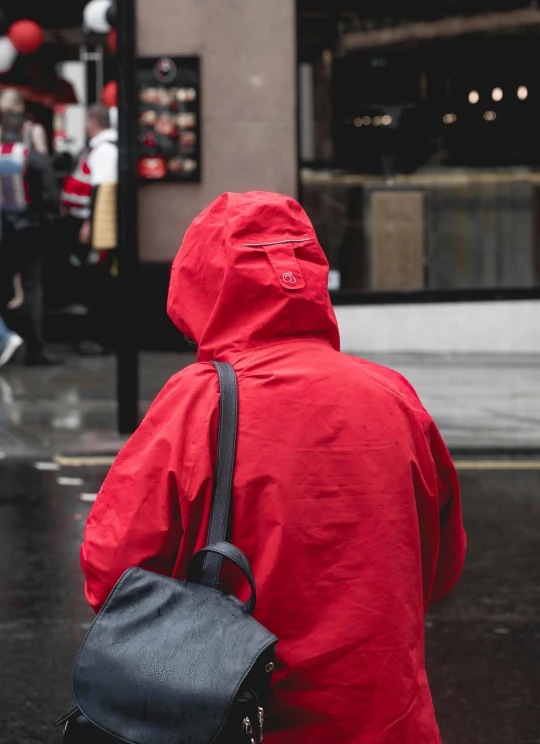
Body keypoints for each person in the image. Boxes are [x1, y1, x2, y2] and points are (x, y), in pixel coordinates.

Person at [81, 192, 466, 744]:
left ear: (199, 284)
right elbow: (440, 567)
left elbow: (113, 573)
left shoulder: (199, 404)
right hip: (387, 720)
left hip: (238, 718)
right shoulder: (394, 397)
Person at [0, 111, 60, 365]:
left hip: (3, 230)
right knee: (32, 287)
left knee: (3, 287)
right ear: (24, 130)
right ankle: (36, 348)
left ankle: (6, 338)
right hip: (32, 231)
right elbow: (51, 196)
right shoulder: (33, 158)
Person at [76, 104, 118, 356]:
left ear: (94, 121)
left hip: (104, 231)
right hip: (108, 228)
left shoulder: (103, 151)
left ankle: (99, 337)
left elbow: (100, 192)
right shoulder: (110, 147)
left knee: (98, 283)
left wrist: (90, 224)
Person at [0, 88, 49, 155]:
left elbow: (42, 159)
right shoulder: (35, 130)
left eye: (11, 112)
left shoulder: (34, 130)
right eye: (5, 114)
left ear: (20, 107)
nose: (9, 119)